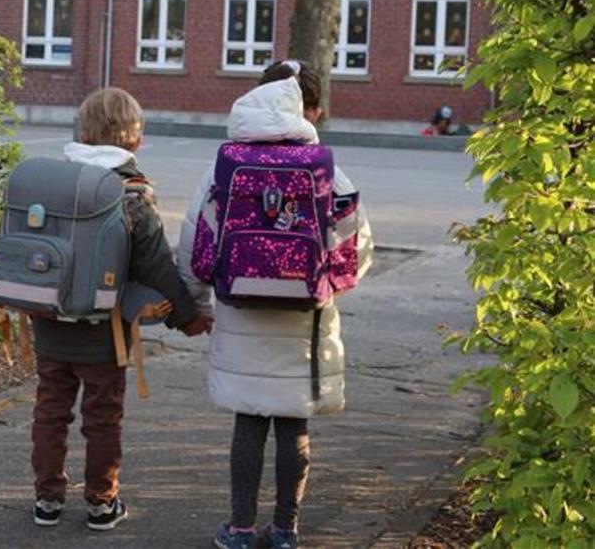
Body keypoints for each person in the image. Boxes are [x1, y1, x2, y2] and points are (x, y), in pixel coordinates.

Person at [176, 61, 374, 549]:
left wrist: (197, 304)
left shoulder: (224, 165)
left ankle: (240, 530)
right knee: (292, 422)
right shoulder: (330, 171)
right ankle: (285, 530)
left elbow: (193, 246)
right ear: (311, 109)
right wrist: (326, 287)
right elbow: (358, 250)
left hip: (241, 309)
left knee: (249, 417)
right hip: (305, 318)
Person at [30, 87, 212, 531]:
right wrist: (187, 317)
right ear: (134, 139)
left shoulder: (55, 181)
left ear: (85, 130)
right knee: (103, 417)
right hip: (104, 332)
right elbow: (157, 268)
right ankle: (100, 502)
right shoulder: (131, 193)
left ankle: (47, 500)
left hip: (51, 323)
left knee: (50, 412)